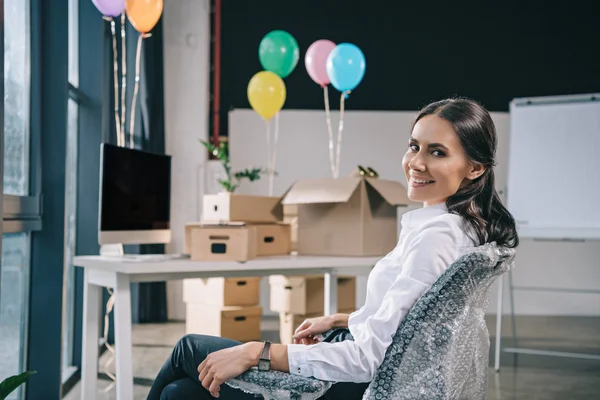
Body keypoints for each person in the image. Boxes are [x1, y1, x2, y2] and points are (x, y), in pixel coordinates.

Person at [147, 97, 519, 400]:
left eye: (437, 152)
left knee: (188, 347)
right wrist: (342, 320)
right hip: (368, 373)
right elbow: (413, 322)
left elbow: (366, 360)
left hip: (351, 385)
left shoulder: (436, 237)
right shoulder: (466, 227)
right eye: (414, 146)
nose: (416, 163)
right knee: (180, 394)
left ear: (475, 168)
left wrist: (256, 352)